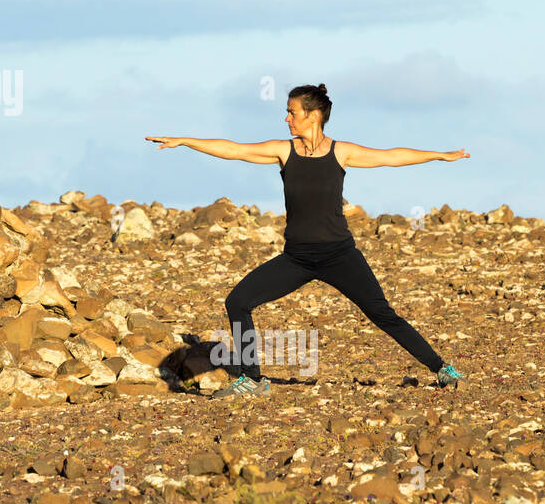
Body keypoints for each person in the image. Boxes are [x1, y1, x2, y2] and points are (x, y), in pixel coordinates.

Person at [145, 83, 468, 397]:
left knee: (382, 314)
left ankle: (441, 369)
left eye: (291, 112)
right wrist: (185, 140)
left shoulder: (342, 152)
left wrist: (440, 155)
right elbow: (235, 149)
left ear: (312, 115)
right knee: (238, 302)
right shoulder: (283, 152)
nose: (287, 119)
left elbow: (392, 156)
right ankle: (252, 379)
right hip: (296, 258)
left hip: (340, 255)